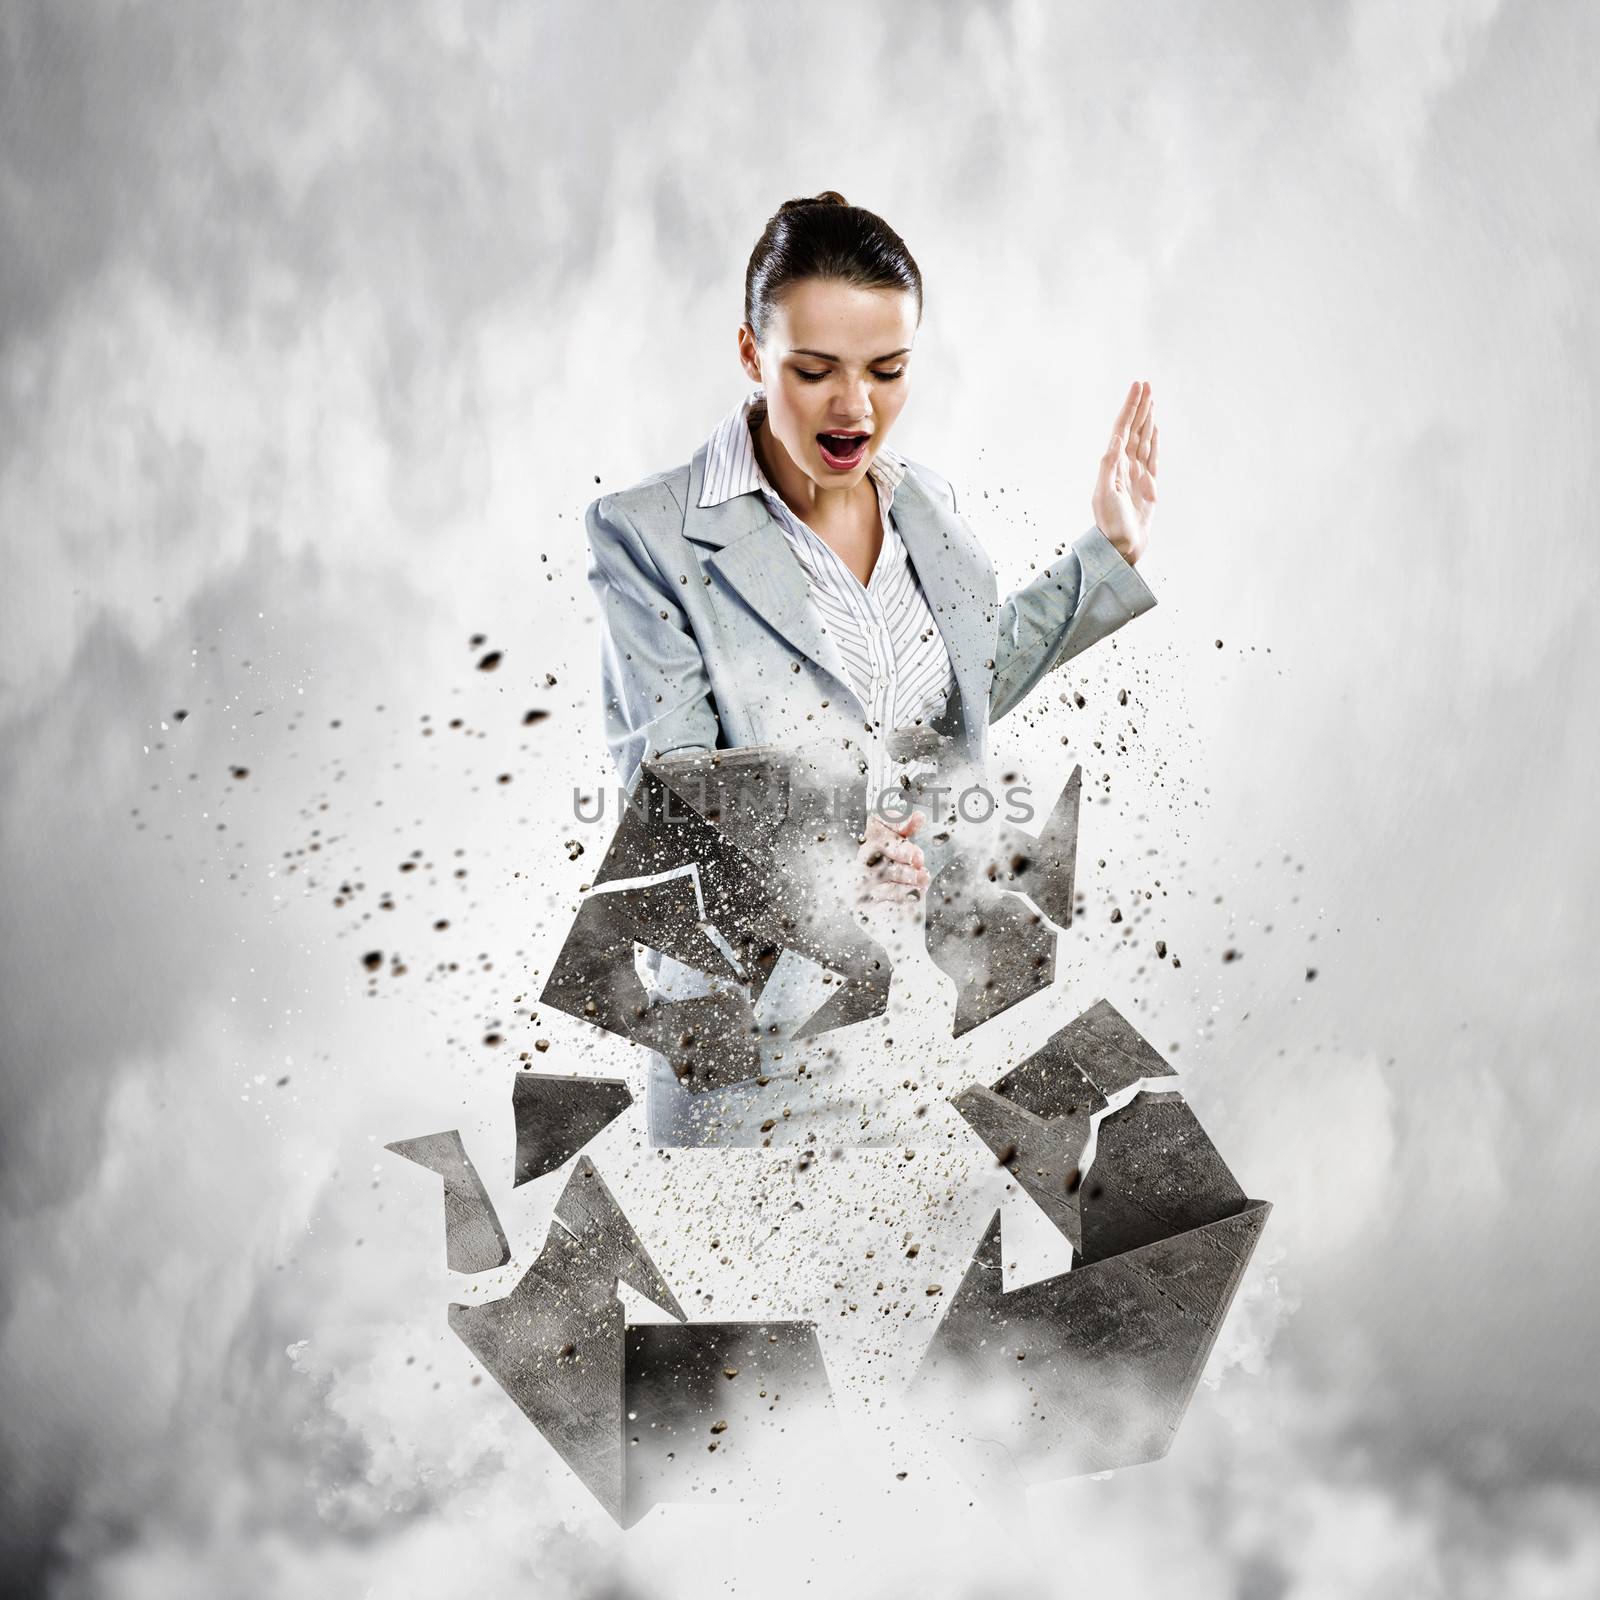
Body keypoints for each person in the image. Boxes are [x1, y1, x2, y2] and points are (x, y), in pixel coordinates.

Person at [582, 191, 1161, 1145]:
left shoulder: (924, 504)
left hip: (914, 1046)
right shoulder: (650, 537)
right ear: (750, 355)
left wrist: (1108, 554)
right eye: (815, 371)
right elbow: (672, 811)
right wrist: (823, 879)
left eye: (887, 370)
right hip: (749, 1063)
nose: (856, 407)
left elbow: (960, 685)